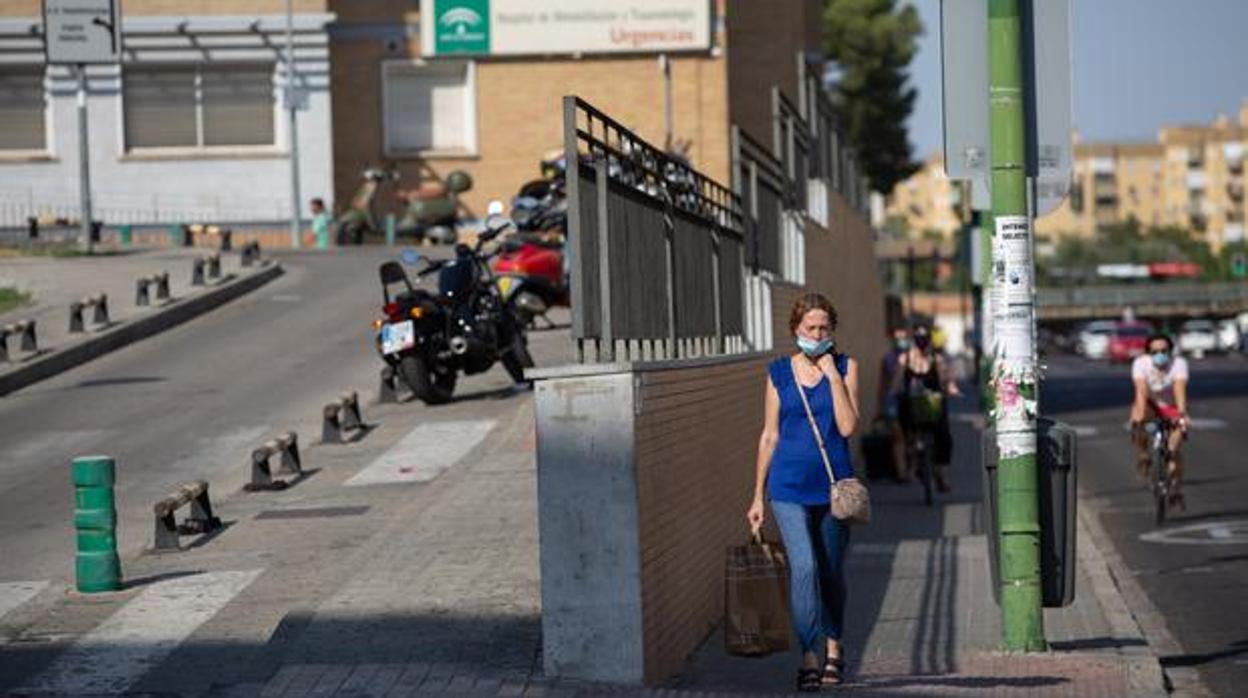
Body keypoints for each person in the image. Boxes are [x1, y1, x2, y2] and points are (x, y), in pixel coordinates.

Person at [746, 293, 860, 691]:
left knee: (830, 572)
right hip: (788, 487)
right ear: (796, 330)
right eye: (810, 328)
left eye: (824, 328)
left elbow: (847, 428)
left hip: (834, 491)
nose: (817, 334)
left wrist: (832, 376)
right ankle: (809, 654)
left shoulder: (846, 367)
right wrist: (758, 496)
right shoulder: (778, 372)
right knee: (806, 567)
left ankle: (834, 647)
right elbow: (769, 435)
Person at [892, 324, 959, 492]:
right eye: (918, 338)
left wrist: (950, 387)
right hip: (912, 404)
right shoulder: (905, 359)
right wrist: (894, 392)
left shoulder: (937, 359)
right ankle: (912, 461)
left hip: (932, 404)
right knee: (905, 430)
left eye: (925, 338)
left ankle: (940, 475)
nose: (922, 342)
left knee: (943, 437)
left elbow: (947, 378)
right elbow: (897, 380)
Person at [1130, 333, 1189, 510]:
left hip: (1171, 406)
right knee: (1138, 419)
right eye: (1155, 351)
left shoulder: (1179, 364)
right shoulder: (1140, 364)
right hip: (1150, 403)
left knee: (1175, 448)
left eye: (1164, 351)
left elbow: (1179, 391)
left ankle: (1176, 488)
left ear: (1170, 351)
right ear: (1148, 352)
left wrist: (1181, 414)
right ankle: (1144, 454)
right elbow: (1141, 391)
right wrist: (1139, 415)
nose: (1160, 354)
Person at [877, 327, 911, 481]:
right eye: (898, 338)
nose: (901, 341)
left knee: (911, 436)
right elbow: (883, 383)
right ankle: (901, 472)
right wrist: (881, 406)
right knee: (898, 436)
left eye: (904, 337)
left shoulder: (914, 356)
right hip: (893, 400)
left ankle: (913, 468)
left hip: (911, 399)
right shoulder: (888, 358)